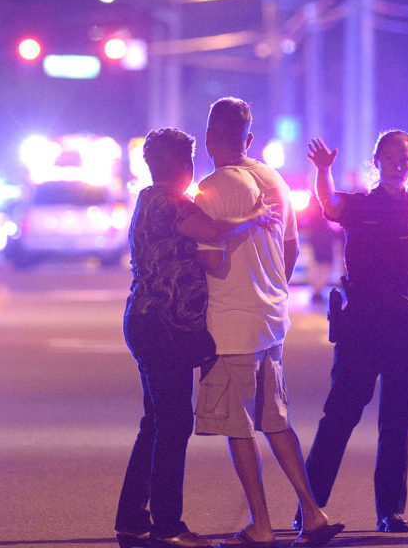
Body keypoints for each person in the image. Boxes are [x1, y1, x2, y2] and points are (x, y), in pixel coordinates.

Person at [116, 127, 280, 548]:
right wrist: (255, 217)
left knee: (155, 422)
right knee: (173, 424)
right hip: (164, 328)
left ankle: (132, 518)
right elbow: (212, 230)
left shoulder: (145, 199)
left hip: (145, 322)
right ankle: (168, 526)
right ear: (184, 166)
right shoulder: (171, 204)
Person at [192, 97, 344, 548]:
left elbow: (208, 258)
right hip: (271, 319)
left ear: (208, 139)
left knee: (239, 427)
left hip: (230, 323)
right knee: (276, 420)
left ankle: (260, 525)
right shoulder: (275, 181)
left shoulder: (212, 187)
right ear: (249, 139)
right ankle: (312, 513)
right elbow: (291, 249)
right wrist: (271, 282)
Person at [299, 131, 408, 534]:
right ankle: (309, 507)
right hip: (363, 326)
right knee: (339, 417)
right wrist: (323, 171)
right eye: (389, 157)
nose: (398, 163)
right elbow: (329, 205)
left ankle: (390, 511)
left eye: (405, 156)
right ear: (377, 161)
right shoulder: (362, 205)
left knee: (395, 425)